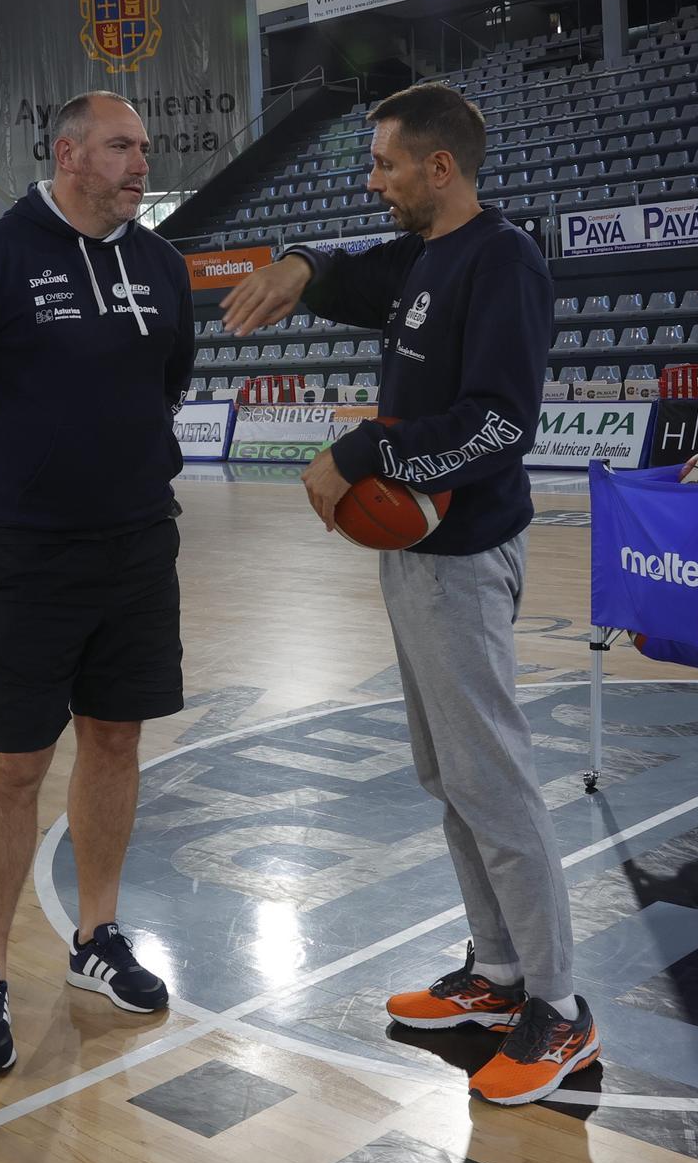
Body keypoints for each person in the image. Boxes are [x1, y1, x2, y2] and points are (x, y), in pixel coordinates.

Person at [222, 82, 599, 1107]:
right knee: (446, 772)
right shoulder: (421, 256)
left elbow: (499, 426)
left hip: (467, 556)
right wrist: (298, 261)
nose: (373, 180)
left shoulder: (502, 261)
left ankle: (559, 1007)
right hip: (419, 562)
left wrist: (366, 447)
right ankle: (497, 970)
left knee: (493, 778)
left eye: (386, 164)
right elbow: (342, 269)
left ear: (440, 168)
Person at [0, 91, 194, 1074]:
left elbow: (169, 381)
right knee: (15, 766)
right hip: (29, 556)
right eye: (121, 146)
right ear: (68, 153)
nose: (138, 163)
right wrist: (22, 464)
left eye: (144, 148)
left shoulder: (160, 265)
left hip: (139, 548)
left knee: (114, 742)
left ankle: (96, 939)